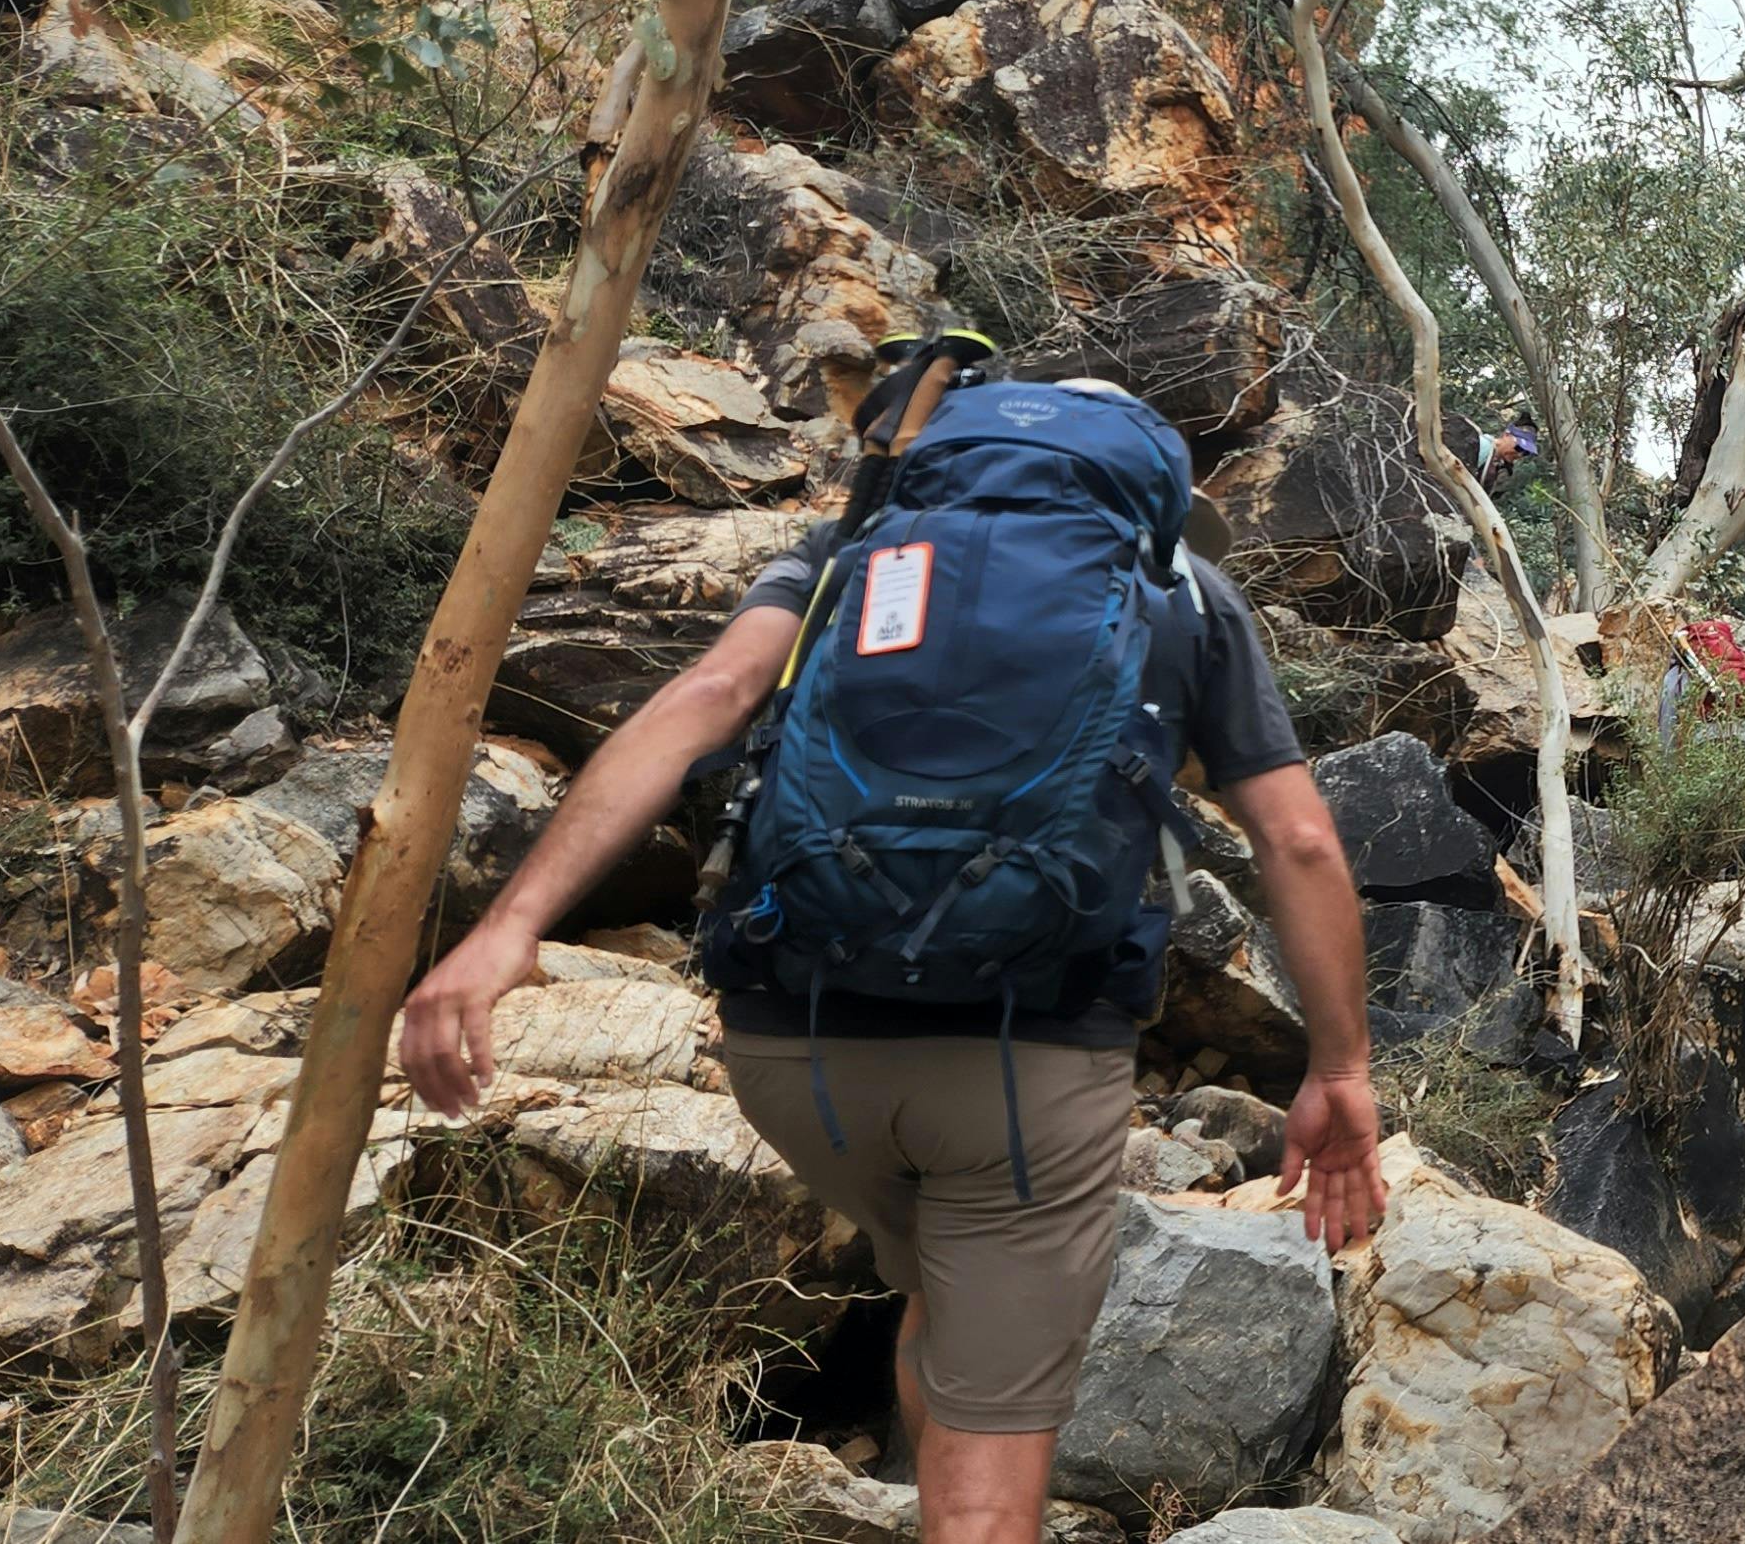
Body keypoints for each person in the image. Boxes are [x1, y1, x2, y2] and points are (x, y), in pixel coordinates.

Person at [397, 376, 1385, 1544]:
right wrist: (1341, 1066)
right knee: (990, 1487)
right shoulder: (1185, 589)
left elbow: (706, 698)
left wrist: (509, 926)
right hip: (1024, 1068)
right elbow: (1300, 838)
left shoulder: (854, 546)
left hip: (791, 1047)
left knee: (934, 1286)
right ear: (1141, 482)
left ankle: (929, 1473)